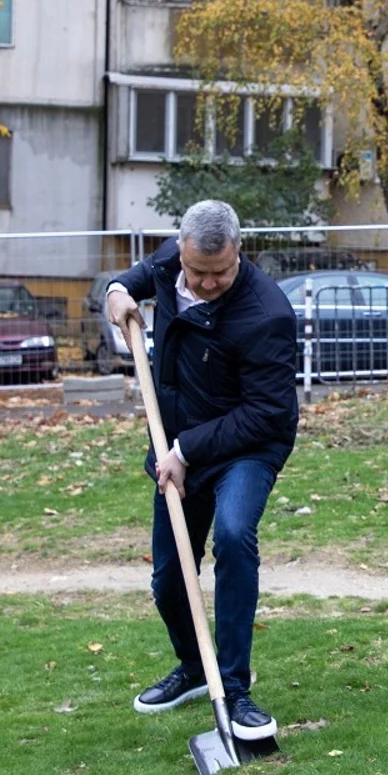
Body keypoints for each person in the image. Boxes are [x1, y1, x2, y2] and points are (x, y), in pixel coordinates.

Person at [104, 200, 298, 740]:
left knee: (234, 537)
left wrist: (186, 452)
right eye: (198, 272)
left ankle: (235, 689)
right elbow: (128, 280)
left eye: (221, 272)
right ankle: (194, 667)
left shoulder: (267, 315)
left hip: (247, 447)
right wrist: (116, 295)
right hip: (176, 442)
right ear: (182, 250)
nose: (208, 282)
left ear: (239, 251)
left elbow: (266, 413)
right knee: (169, 578)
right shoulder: (172, 261)